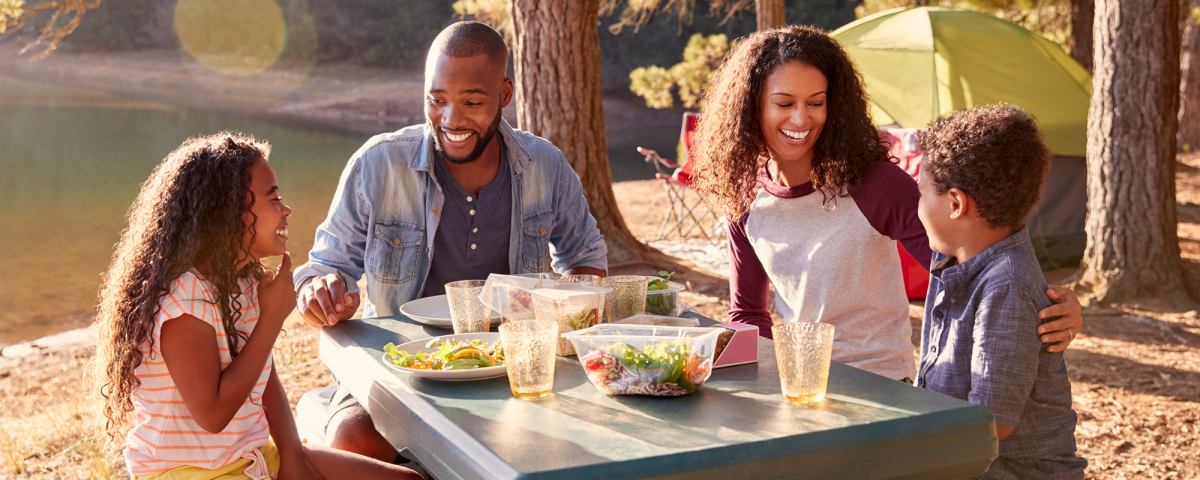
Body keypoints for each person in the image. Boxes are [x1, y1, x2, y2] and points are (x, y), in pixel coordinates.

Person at [689, 26, 1084, 382]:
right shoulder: (743, 195)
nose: (802, 118)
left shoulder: (872, 184)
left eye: (816, 102)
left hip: (882, 387)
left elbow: (972, 267)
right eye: (784, 102)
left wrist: (1049, 303)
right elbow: (749, 314)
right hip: (799, 386)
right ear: (751, 107)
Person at [293, 22, 608, 462]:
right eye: (436, 101)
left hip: (513, 367)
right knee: (354, 441)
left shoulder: (546, 166)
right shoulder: (378, 162)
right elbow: (326, 265)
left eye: (472, 102)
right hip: (399, 367)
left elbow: (586, 258)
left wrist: (563, 309)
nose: (451, 120)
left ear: (505, 94)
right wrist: (319, 291)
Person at [94, 134, 419, 479]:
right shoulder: (184, 299)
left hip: (253, 455)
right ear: (228, 214)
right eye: (274, 198)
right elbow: (213, 413)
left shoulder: (242, 279)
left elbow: (265, 381)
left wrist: (293, 458)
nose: (286, 210)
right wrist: (272, 318)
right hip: (193, 472)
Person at [914, 105, 1087, 478]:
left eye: (922, 194)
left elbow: (992, 423)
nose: (919, 208)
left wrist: (906, 445)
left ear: (956, 203)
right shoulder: (954, 259)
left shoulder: (1006, 285)